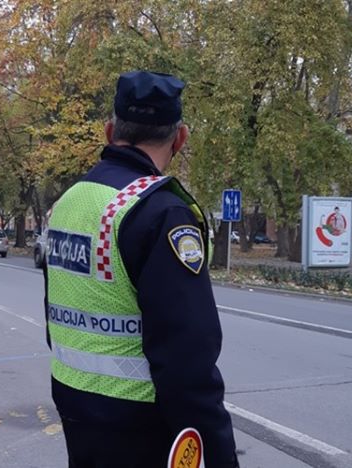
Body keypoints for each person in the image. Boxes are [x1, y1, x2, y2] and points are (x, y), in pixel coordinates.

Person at [44, 71, 239, 468]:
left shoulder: (70, 201)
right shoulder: (160, 213)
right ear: (180, 138)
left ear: (109, 130)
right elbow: (187, 362)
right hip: (141, 426)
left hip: (73, 401)